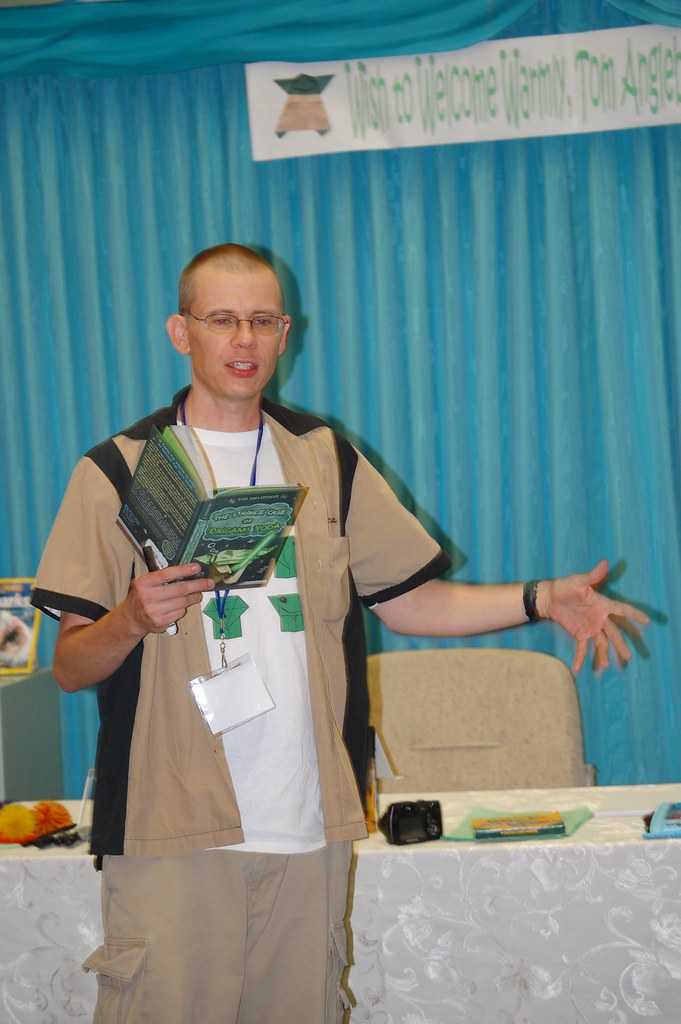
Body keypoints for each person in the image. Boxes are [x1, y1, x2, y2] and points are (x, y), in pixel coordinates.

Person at [31, 243, 649, 1024]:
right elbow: (70, 665)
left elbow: (411, 602)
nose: (243, 339)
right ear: (180, 332)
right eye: (221, 319)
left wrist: (541, 598)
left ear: (285, 333)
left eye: (261, 320)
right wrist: (128, 618)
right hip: (171, 825)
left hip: (304, 818)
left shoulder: (323, 458)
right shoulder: (121, 469)